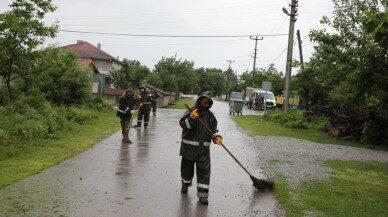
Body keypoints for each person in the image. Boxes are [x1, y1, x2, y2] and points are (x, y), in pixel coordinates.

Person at [179, 91, 223, 205]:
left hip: (203, 151)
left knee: (204, 172)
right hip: (188, 149)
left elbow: (213, 131)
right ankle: (185, 184)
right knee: (186, 171)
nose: (206, 103)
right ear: (200, 100)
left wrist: (216, 137)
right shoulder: (191, 111)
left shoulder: (210, 116)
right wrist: (192, 118)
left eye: (208, 102)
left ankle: (203, 195)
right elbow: (183, 125)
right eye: (204, 101)